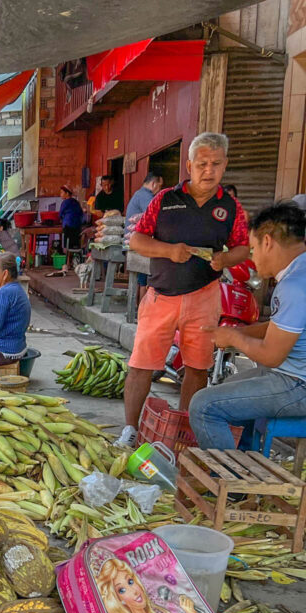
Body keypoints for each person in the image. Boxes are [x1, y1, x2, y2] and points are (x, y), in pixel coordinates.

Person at [114, 132, 250, 448]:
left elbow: (244, 247)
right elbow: (136, 240)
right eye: (202, 163)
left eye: (216, 163)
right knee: (141, 366)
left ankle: (184, 431)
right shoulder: (164, 200)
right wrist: (168, 250)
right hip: (161, 296)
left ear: (225, 164)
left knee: (197, 368)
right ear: (189, 165)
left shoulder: (230, 207)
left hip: (205, 296)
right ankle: (130, 430)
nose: (209, 170)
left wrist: (225, 258)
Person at [189, 202, 306, 450]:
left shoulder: (295, 285)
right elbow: (279, 327)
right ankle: (244, 463)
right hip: (292, 376)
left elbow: (272, 356)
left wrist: (234, 338)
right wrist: (238, 333)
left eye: (252, 249)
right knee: (229, 390)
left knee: (203, 405)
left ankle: (228, 484)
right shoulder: (300, 271)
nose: (252, 258)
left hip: (298, 385)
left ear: (267, 242)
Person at [126, 172, 164, 299]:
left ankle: (138, 306)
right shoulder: (145, 196)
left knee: (142, 278)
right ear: (153, 184)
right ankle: (141, 308)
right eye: (159, 186)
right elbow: (156, 216)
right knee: (145, 278)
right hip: (136, 244)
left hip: (133, 242)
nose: (159, 190)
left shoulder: (139, 194)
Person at [59, 185, 84, 255]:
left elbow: (60, 214)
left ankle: (67, 261)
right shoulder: (76, 202)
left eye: (62, 192)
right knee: (75, 246)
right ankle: (73, 261)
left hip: (68, 227)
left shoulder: (65, 202)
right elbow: (81, 213)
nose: (60, 194)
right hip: (77, 227)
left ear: (67, 193)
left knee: (66, 246)